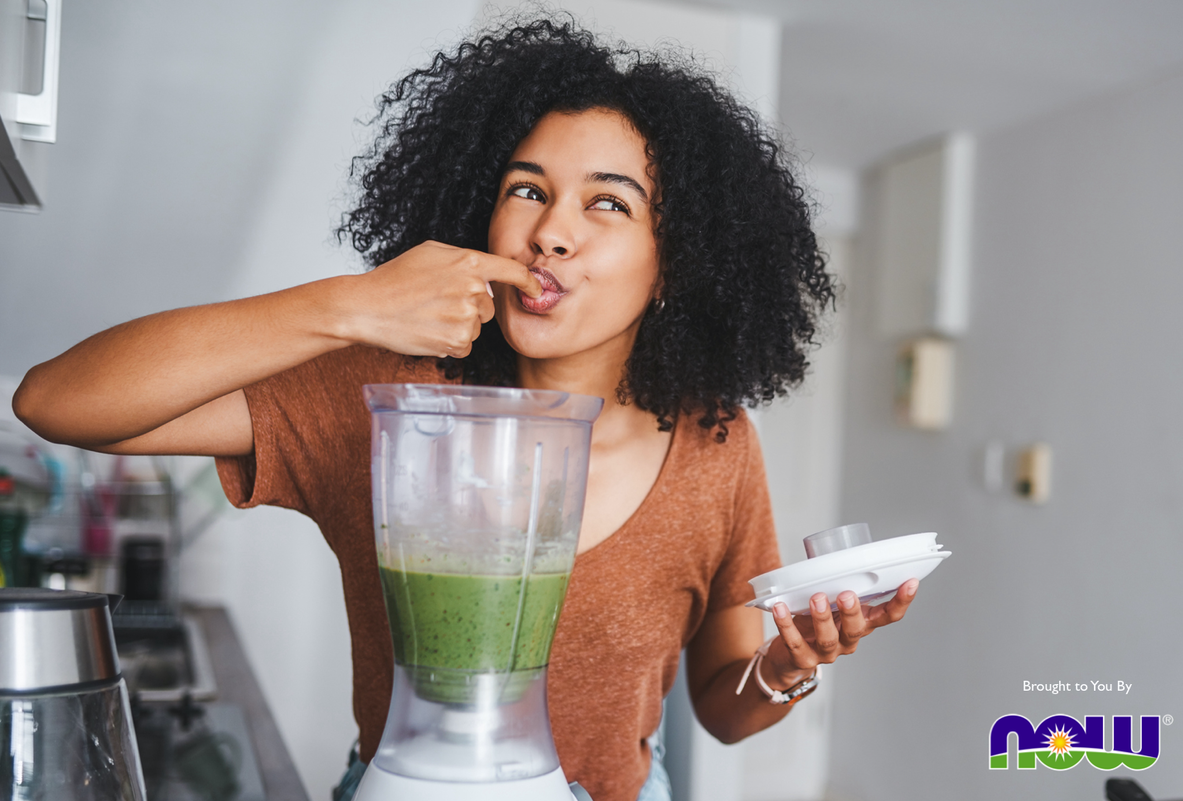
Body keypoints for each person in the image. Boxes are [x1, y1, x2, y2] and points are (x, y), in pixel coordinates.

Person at [13, 16, 918, 801]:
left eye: (607, 203)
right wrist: (352, 304)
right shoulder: (390, 400)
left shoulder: (714, 444)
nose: (550, 230)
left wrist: (786, 667)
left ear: (675, 262)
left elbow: (724, 706)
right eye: (527, 189)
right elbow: (55, 400)